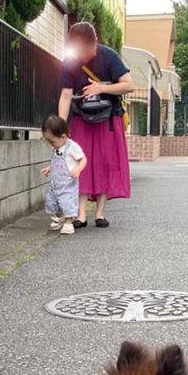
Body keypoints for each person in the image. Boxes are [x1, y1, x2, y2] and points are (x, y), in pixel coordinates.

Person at [58, 22, 135, 229]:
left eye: (88, 51)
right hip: (82, 118)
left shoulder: (108, 56)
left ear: (96, 42)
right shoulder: (70, 62)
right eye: (79, 52)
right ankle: (81, 215)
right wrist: (61, 128)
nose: (84, 56)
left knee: (104, 163)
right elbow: (65, 96)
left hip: (108, 119)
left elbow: (129, 85)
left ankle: (100, 213)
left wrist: (101, 88)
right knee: (80, 163)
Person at [41, 115, 88, 235]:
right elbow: (55, 161)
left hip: (68, 182)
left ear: (63, 136)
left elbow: (83, 159)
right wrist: (49, 168)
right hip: (56, 182)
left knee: (67, 201)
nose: (50, 144)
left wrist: (78, 169)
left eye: (52, 141)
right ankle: (60, 217)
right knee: (52, 201)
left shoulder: (72, 147)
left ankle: (68, 222)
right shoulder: (57, 146)